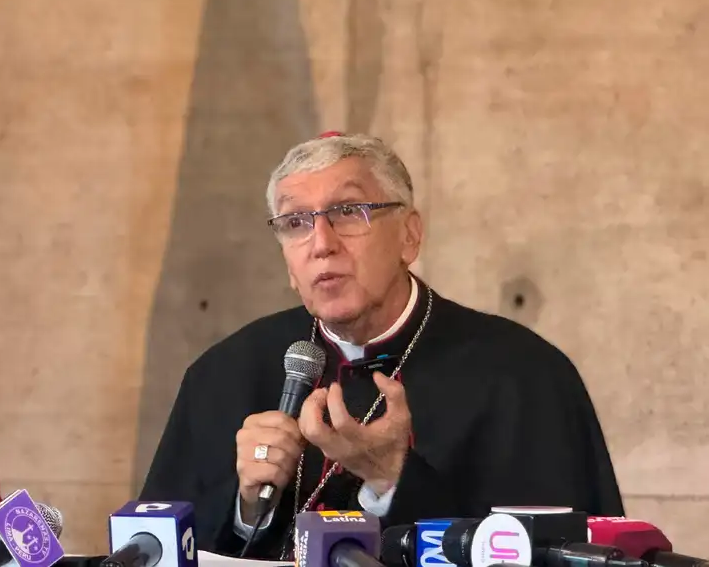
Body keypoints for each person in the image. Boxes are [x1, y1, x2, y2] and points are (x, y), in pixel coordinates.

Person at [138, 132, 624, 560]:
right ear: (288, 262)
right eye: (296, 222)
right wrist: (247, 507)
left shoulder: (524, 377)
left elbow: (554, 553)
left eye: (348, 212)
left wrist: (392, 478)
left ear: (409, 236)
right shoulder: (223, 374)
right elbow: (155, 546)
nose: (321, 243)